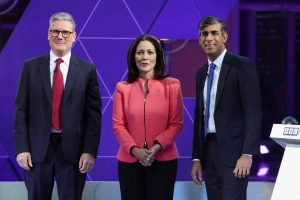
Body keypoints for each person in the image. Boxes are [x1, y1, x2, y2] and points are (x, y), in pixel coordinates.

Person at [14, 12, 102, 200]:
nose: (60, 36)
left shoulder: (87, 70)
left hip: (74, 153)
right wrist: (22, 148)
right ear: (48, 34)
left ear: (74, 36)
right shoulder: (30, 67)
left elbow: (93, 115)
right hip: (37, 152)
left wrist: (89, 151)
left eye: (65, 32)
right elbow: (20, 111)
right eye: (55, 31)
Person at [191, 16, 262, 200]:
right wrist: (197, 158)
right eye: (204, 34)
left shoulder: (242, 65)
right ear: (199, 39)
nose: (209, 38)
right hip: (209, 153)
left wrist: (247, 154)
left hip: (235, 154)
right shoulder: (200, 73)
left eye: (214, 33)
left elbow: (253, 113)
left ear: (225, 37)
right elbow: (200, 118)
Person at [112, 34, 184, 200]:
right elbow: (118, 125)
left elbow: (176, 124)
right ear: (133, 56)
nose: (145, 57)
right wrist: (135, 150)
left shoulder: (172, 85)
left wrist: (155, 148)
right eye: (140, 52)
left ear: (158, 56)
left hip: (163, 160)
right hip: (129, 161)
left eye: (150, 52)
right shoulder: (122, 88)